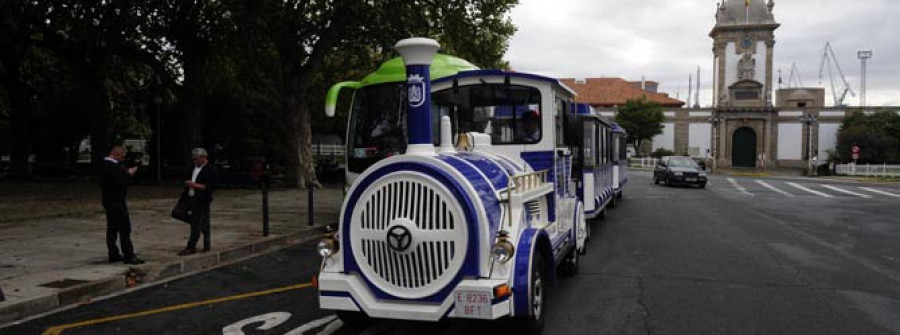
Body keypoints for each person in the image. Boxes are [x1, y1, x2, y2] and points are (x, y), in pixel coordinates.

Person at [97, 146, 144, 264]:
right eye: (122, 157)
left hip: (108, 199)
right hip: (116, 200)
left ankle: (113, 253)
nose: (122, 160)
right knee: (124, 228)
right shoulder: (111, 166)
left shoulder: (102, 164)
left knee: (112, 228)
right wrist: (129, 173)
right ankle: (128, 254)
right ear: (116, 155)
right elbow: (120, 180)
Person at [178, 148, 218, 256]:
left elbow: (210, 186)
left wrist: (195, 185)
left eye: (197, 159)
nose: (195, 162)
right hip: (188, 196)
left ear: (203, 158)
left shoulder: (210, 169)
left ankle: (191, 246)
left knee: (195, 223)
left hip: (200, 198)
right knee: (178, 212)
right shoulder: (191, 167)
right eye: (194, 159)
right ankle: (200, 224)